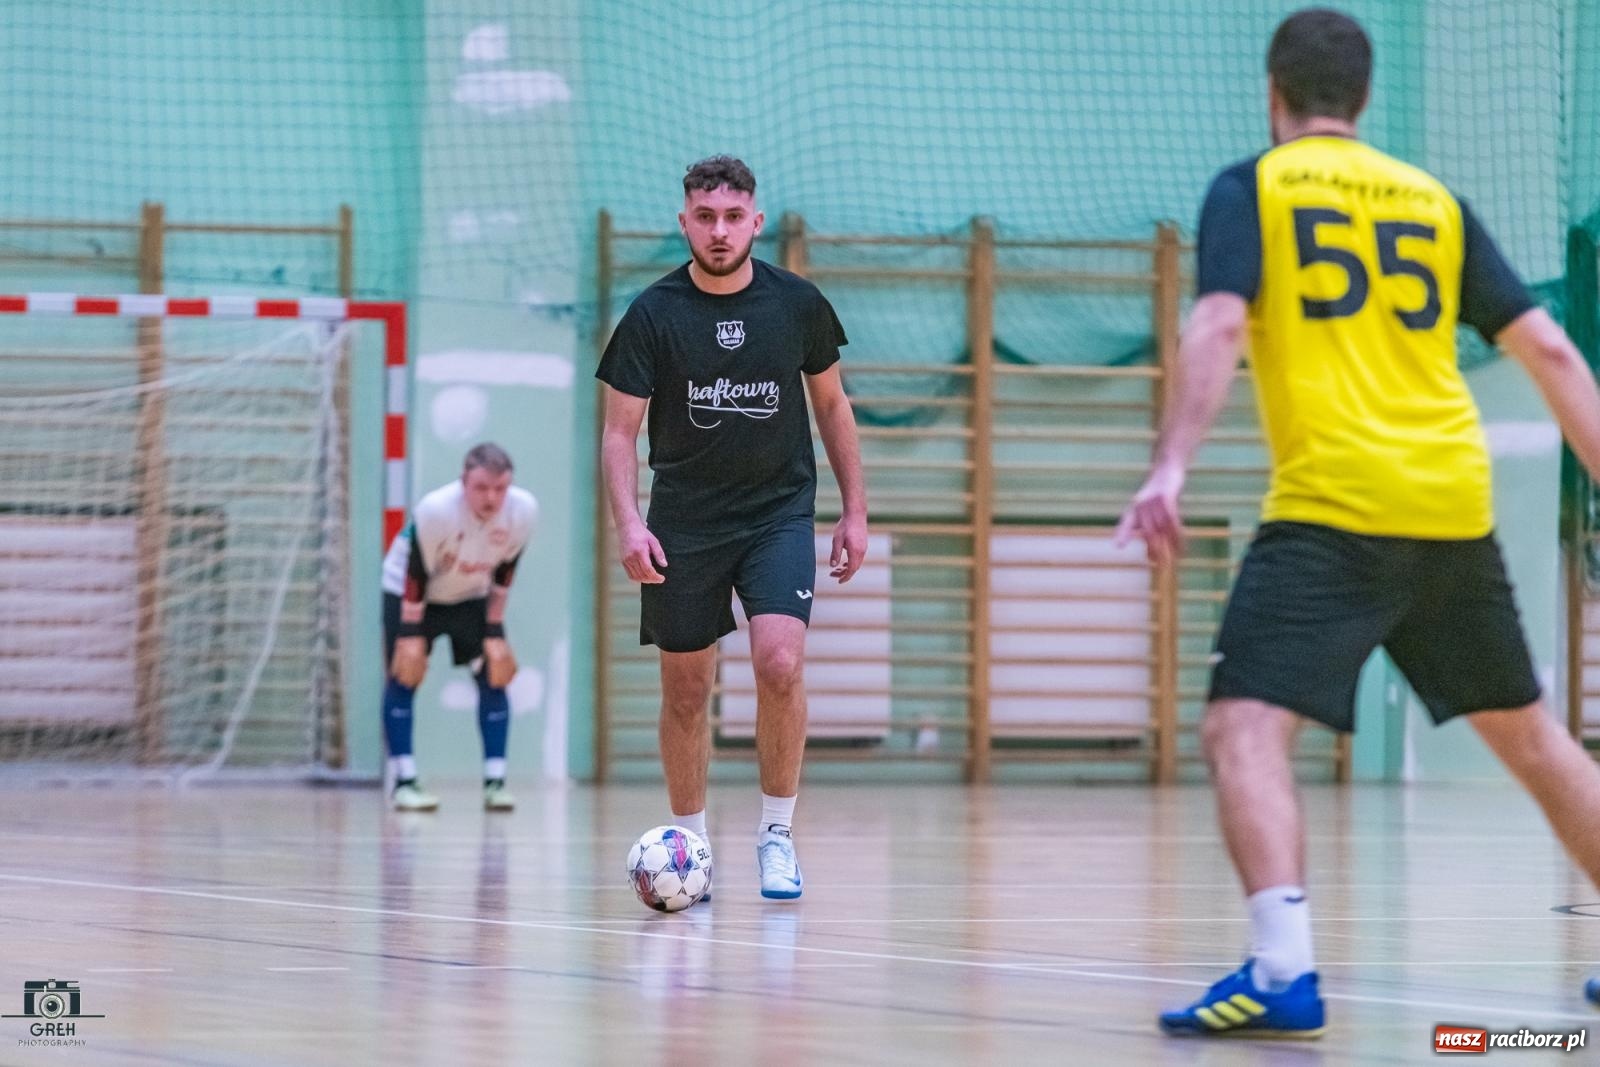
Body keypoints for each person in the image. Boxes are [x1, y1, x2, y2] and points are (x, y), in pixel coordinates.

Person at [1118, 7, 1600, 1038]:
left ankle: (1283, 968)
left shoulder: (1251, 187)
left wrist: (1168, 465)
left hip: (1334, 506)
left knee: (1242, 725)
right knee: (1530, 735)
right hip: (1450, 501)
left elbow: (1215, 321)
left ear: (1272, 91)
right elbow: (1553, 353)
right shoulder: (1434, 200)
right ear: (1364, 99)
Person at [598, 155, 868, 901]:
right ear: (684, 222)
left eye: (732, 217)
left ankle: (777, 834)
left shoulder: (797, 305)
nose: (719, 232)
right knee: (687, 688)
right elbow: (619, 433)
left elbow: (834, 407)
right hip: (683, 520)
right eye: (705, 217)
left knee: (780, 662)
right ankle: (692, 844)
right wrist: (627, 522)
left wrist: (855, 508)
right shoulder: (653, 314)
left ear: (755, 221)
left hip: (776, 513)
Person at [380, 442, 537, 812]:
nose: (491, 497)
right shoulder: (436, 510)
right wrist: (409, 633)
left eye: (500, 488)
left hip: (470, 594)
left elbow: (505, 573)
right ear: (463, 481)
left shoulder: (523, 511)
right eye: (481, 488)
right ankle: (405, 781)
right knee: (404, 674)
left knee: (494, 673)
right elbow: (415, 572)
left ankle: (495, 783)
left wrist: (495, 631)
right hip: (411, 591)